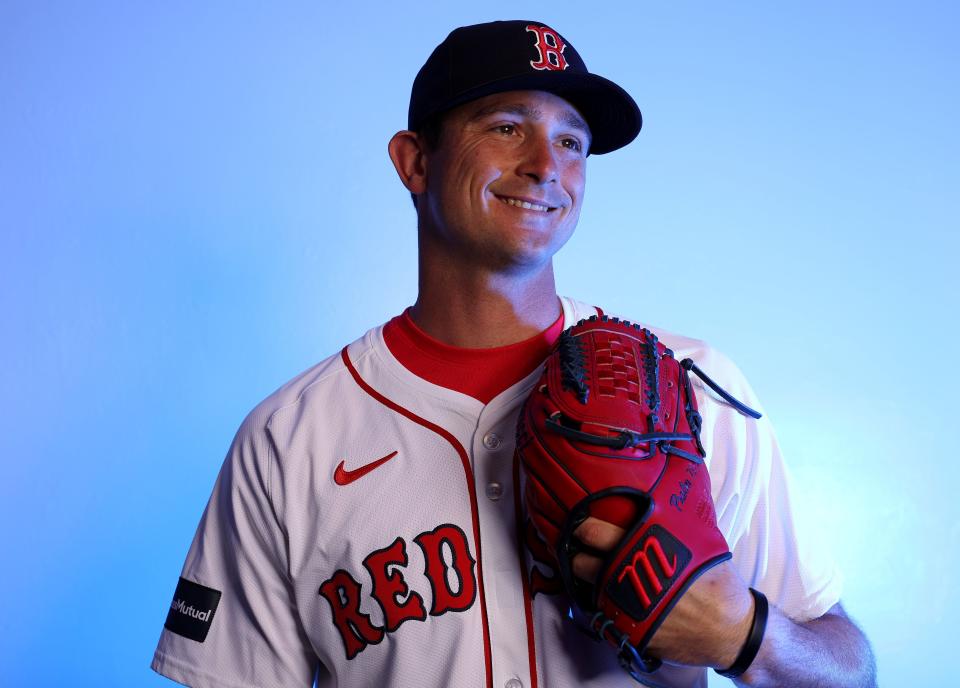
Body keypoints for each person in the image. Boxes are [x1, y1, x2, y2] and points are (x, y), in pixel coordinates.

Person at [152, 20, 876, 688]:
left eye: (571, 142)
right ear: (414, 162)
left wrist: (742, 634)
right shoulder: (288, 440)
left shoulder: (693, 393)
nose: (545, 166)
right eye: (506, 127)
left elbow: (850, 668)